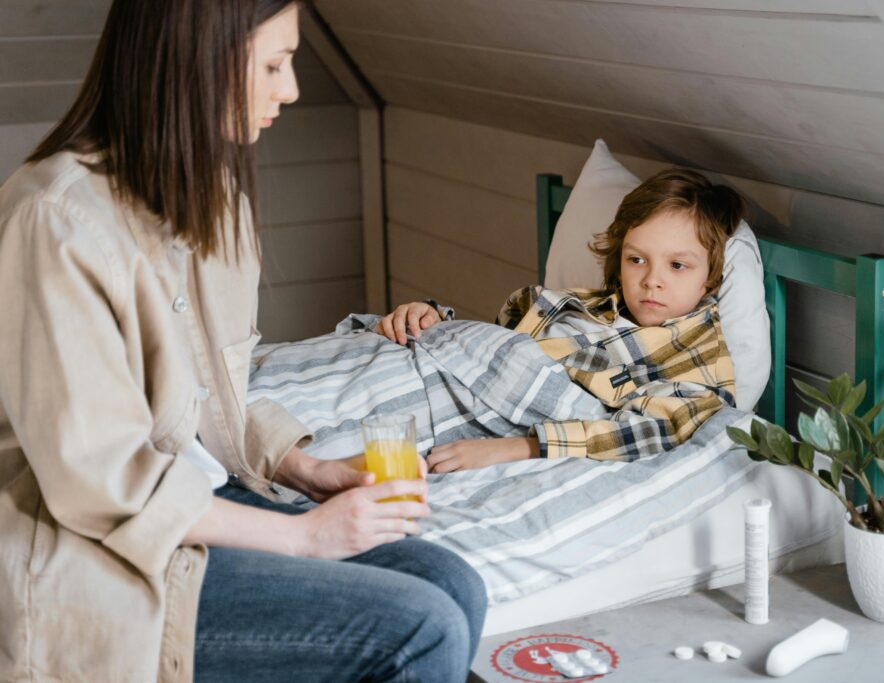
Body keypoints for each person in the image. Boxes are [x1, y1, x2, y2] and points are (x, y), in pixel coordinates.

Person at [0, 2, 485, 682]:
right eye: (273, 65)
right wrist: (303, 536)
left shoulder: (211, 192)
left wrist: (307, 470)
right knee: (422, 625)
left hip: (197, 505)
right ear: (194, 62)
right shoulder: (54, 219)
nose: (289, 89)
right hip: (100, 555)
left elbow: (210, 386)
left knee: (453, 583)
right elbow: (101, 482)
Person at [377, 168, 740, 472]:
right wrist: (433, 320)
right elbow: (497, 344)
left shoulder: (699, 354)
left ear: (709, 277)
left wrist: (521, 448)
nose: (651, 280)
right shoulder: (575, 304)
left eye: (677, 265)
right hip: (422, 370)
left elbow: (657, 429)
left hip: (510, 427)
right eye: (637, 259)